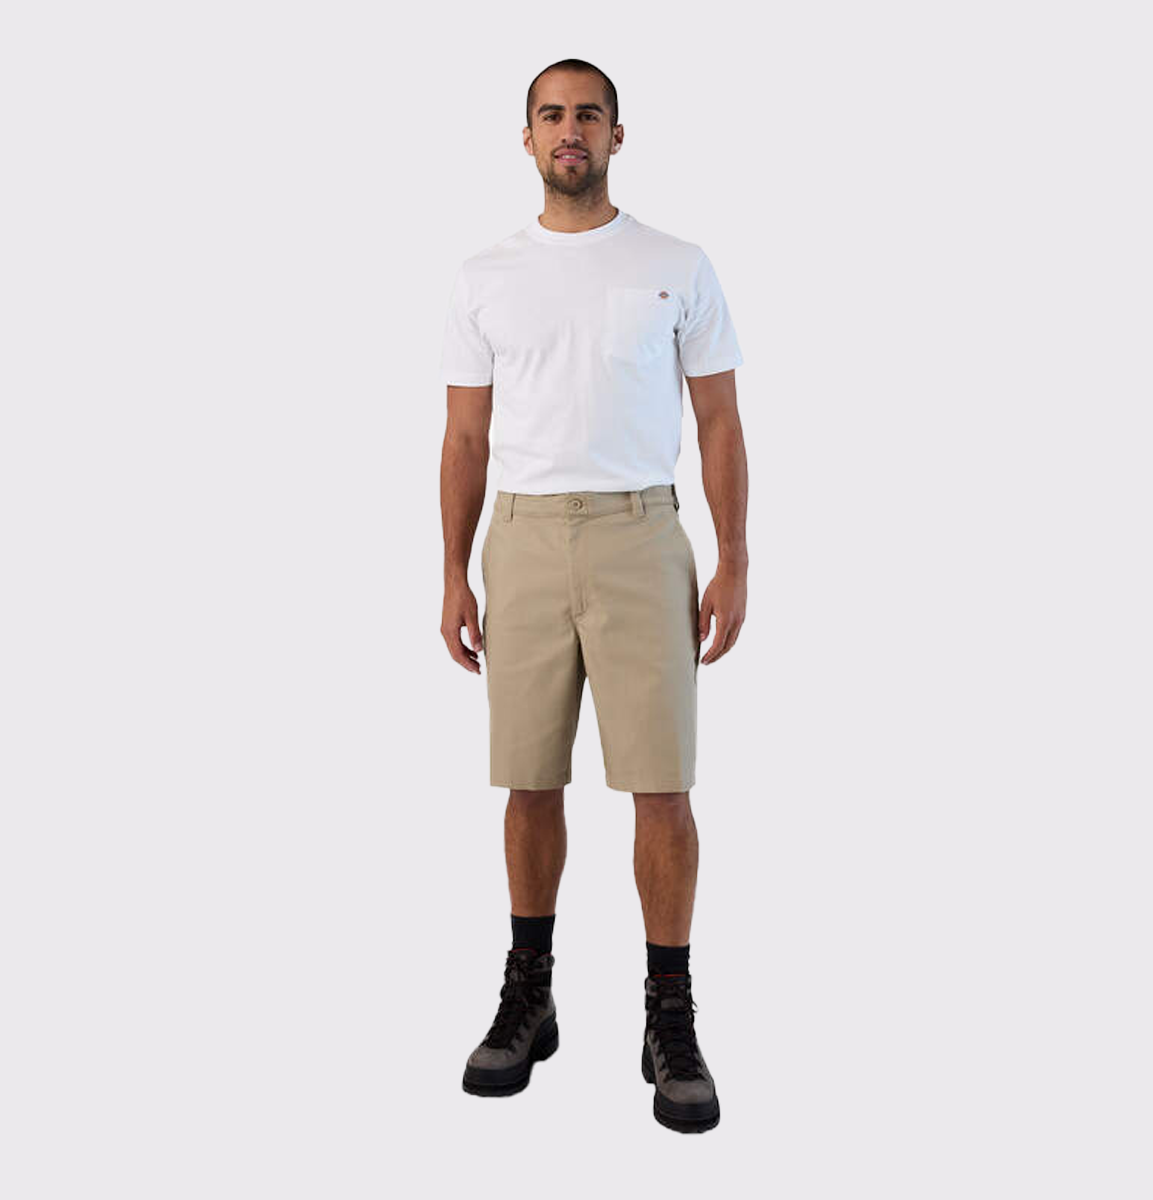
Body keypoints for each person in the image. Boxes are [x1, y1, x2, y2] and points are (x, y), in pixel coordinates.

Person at [438, 58, 748, 1134]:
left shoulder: (676, 264)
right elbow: (465, 436)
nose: (570, 129)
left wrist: (735, 557)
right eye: (551, 115)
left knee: (661, 785)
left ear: (618, 134)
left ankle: (671, 1016)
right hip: (522, 538)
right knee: (529, 780)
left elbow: (718, 420)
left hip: (640, 533)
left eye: (589, 114)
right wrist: (451, 569)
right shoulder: (483, 275)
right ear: (526, 137)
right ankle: (529, 996)